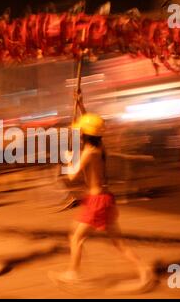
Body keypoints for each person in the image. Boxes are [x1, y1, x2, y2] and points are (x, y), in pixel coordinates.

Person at [54, 113, 153, 286]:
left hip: (96, 202)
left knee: (76, 238)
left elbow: (71, 176)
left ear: (84, 134)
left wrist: (68, 158)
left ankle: (73, 273)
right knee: (116, 243)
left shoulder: (88, 153)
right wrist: (80, 102)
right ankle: (144, 270)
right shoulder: (100, 147)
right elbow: (90, 123)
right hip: (105, 199)